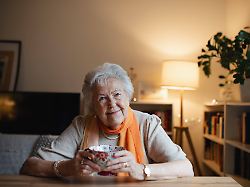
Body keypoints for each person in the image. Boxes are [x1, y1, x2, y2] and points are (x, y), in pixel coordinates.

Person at [20, 63, 194, 180]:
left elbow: (187, 169)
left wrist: (140, 170)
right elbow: (29, 166)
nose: (112, 104)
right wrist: (67, 167)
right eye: (102, 98)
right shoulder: (81, 125)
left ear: (128, 96)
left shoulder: (147, 124)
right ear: (93, 106)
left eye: (117, 94)